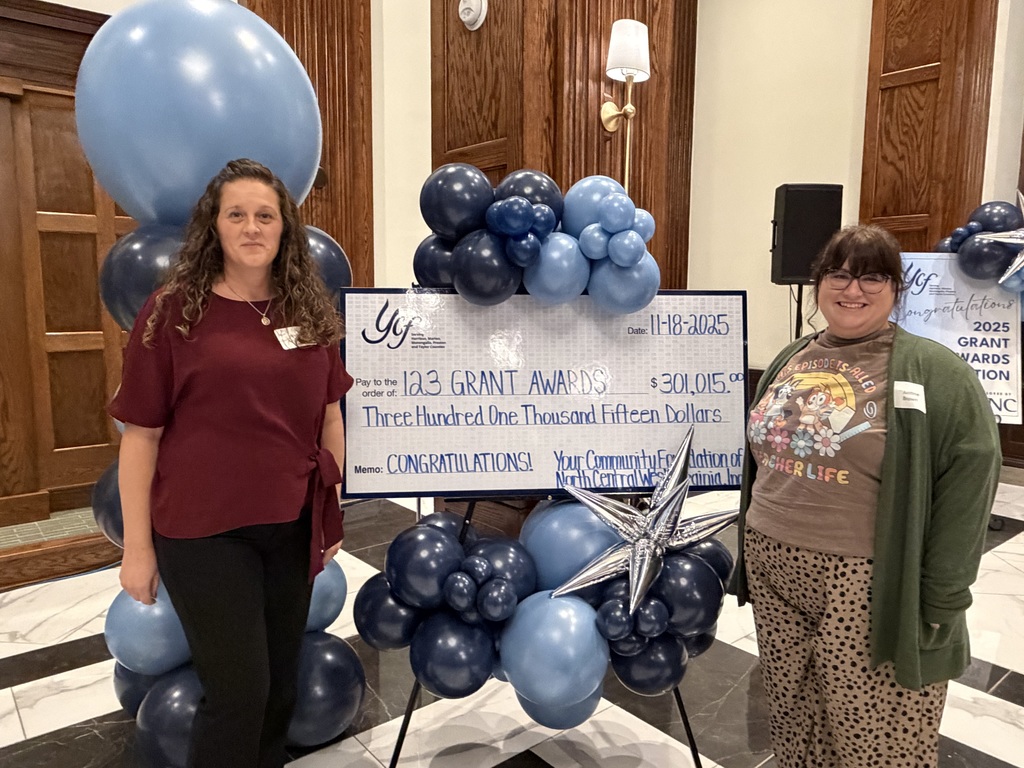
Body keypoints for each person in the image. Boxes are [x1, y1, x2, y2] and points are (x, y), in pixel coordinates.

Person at [110, 158, 353, 768]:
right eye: (236, 214)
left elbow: (329, 416)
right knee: (238, 694)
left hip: (290, 527)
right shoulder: (172, 312)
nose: (252, 227)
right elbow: (140, 437)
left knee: (279, 690)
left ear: (284, 229)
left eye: (265, 215)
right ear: (213, 226)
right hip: (203, 533)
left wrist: (328, 505)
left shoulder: (309, 311)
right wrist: (136, 550)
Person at [730, 224, 1000, 767]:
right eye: (839, 274)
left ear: (897, 289)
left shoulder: (936, 371)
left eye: (873, 276)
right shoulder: (792, 356)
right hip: (773, 566)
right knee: (791, 710)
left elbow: (972, 476)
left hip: (865, 579)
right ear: (818, 284)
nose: (853, 289)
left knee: (867, 727)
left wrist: (943, 594)